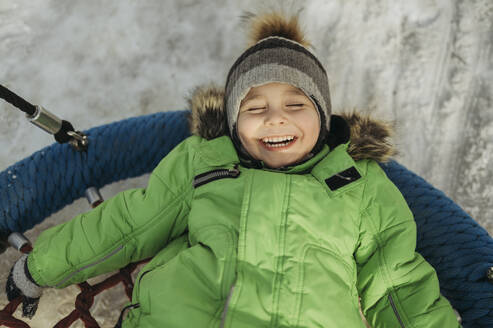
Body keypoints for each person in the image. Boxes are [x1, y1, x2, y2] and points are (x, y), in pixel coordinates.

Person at [6, 11, 461, 327]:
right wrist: (40, 268)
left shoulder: (359, 186)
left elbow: (396, 284)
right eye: (254, 107)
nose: (275, 118)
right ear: (232, 122)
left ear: (323, 118)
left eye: (296, 104)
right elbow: (129, 223)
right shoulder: (206, 162)